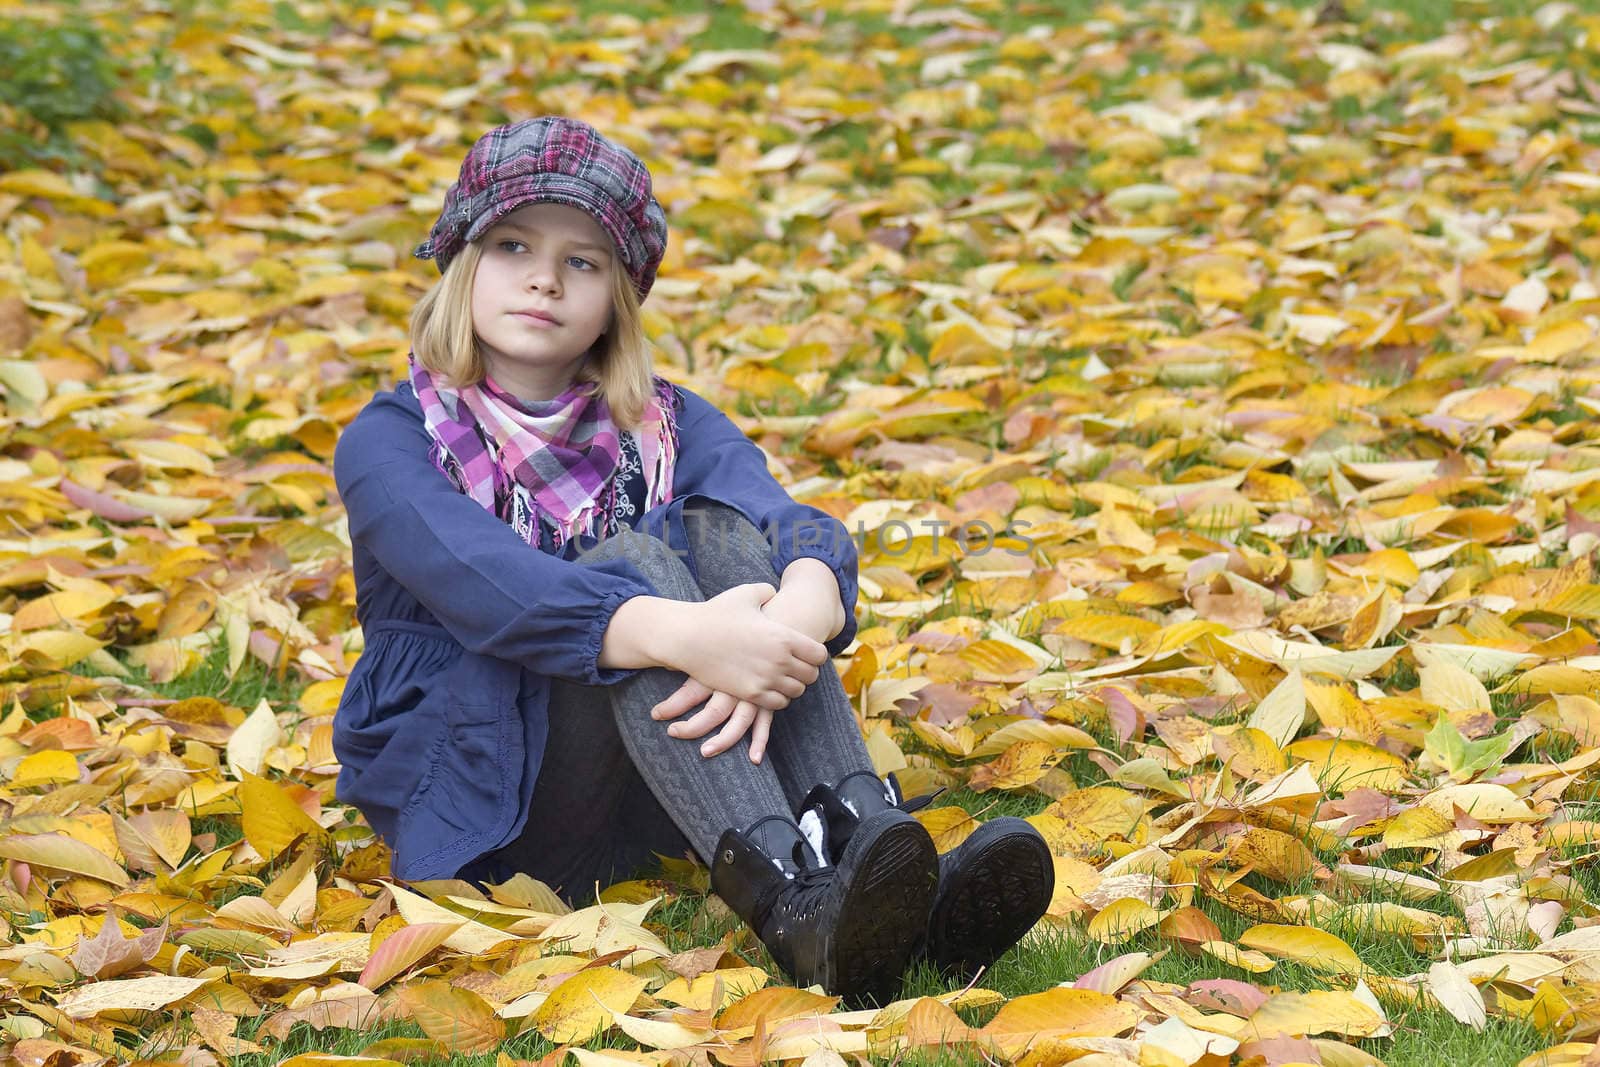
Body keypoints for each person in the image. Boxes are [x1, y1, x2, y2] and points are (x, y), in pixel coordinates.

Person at [331, 116, 1052, 1003]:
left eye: (583, 261)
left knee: (722, 537)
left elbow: (786, 521)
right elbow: (494, 590)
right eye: (513, 245)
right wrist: (696, 637)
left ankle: (870, 849)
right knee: (633, 558)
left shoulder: (668, 421)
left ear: (618, 296)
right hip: (489, 790)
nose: (545, 279)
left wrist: (790, 619)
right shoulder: (391, 440)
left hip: (654, 793)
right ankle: (795, 904)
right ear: (462, 261)